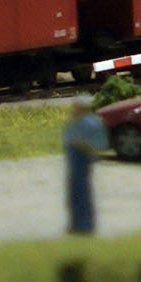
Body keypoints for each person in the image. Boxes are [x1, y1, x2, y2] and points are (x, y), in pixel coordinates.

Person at [62, 96, 109, 234]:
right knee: (74, 193)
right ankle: (76, 224)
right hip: (74, 158)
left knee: (82, 192)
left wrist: (83, 146)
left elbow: (100, 144)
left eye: (77, 107)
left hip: (82, 157)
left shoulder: (90, 123)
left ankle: (85, 225)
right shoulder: (75, 121)